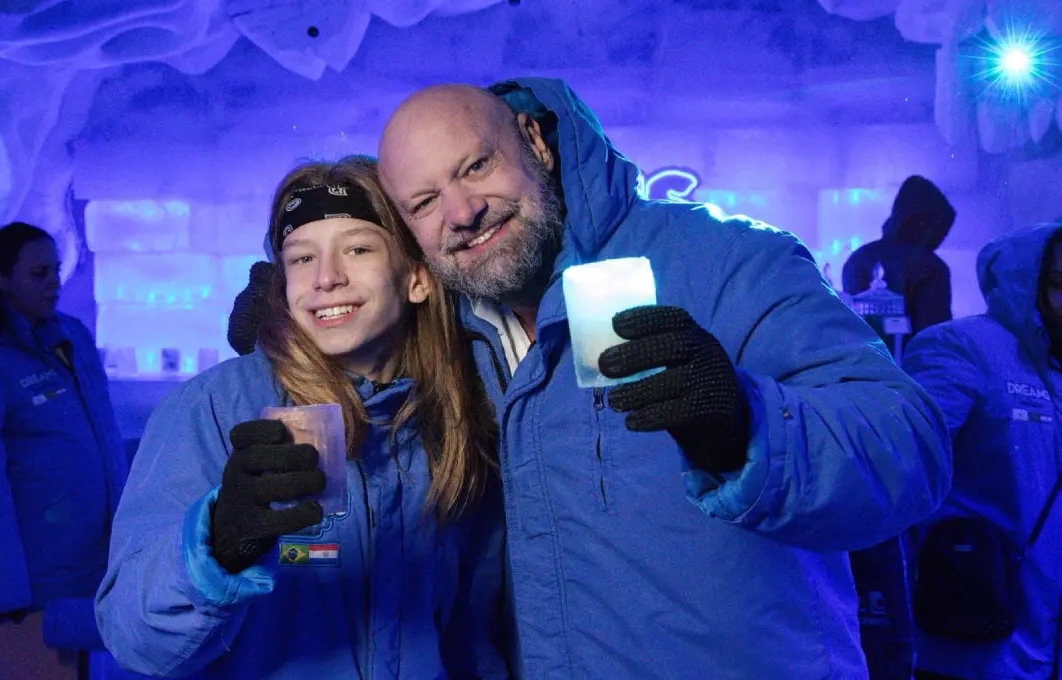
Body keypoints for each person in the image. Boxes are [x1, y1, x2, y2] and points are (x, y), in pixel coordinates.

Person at [371, 78, 952, 678]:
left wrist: (746, 429)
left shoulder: (725, 259)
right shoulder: (444, 338)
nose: (462, 213)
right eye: (424, 202)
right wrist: (278, 332)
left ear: (534, 142)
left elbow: (911, 449)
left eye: (476, 166)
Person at [95, 156, 509, 679]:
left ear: (418, 277)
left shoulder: (455, 413)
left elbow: (479, 625)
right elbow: (132, 637)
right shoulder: (215, 408)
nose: (326, 279)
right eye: (301, 258)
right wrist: (218, 547)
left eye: (358, 249)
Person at [0, 222, 128, 680]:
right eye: (37, 273)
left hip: (92, 564)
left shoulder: (69, 336)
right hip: (32, 583)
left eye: (55, 270)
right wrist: (5, 595)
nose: (53, 282)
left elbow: (103, 441)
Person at [902, 224, 1062, 680]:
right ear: (1025, 282)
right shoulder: (964, 348)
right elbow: (902, 462)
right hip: (976, 649)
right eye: (1059, 284)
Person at [843, 174, 956, 346]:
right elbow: (933, 339)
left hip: (859, 366)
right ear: (924, 224)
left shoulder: (857, 259)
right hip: (912, 369)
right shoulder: (932, 267)